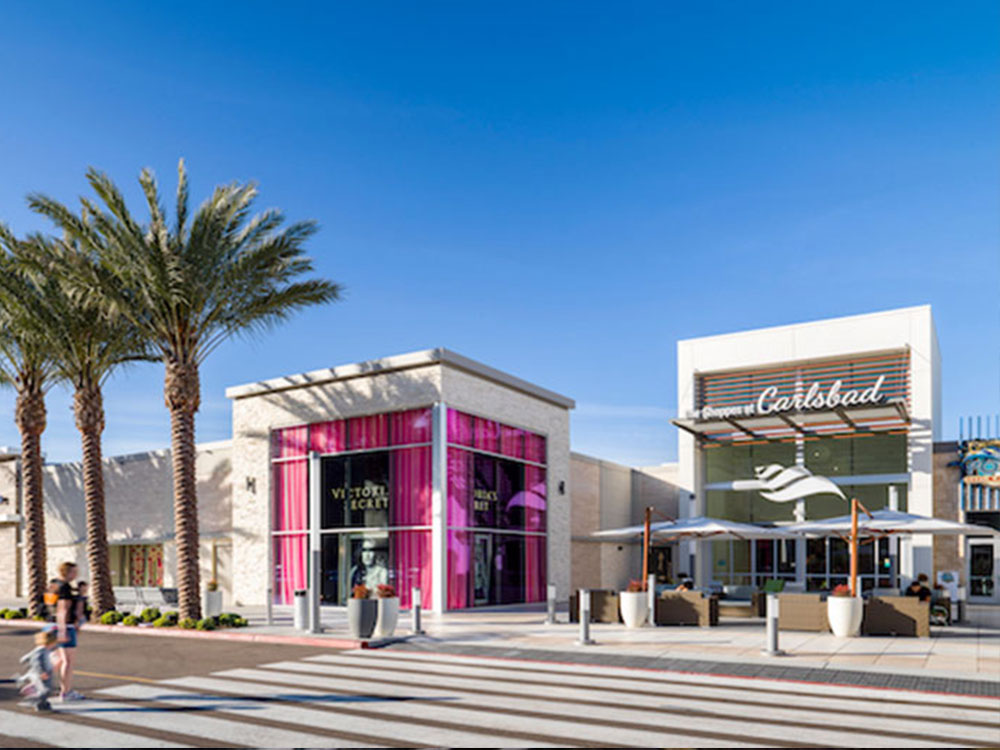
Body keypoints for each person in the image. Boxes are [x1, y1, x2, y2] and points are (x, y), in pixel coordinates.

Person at [54, 561, 84, 702]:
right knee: (68, 661)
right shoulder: (65, 587)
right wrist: (63, 630)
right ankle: (66, 692)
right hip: (65, 626)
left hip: (52, 625)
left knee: (58, 659)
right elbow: (63, 609)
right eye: (73, 572)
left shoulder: (54, 584)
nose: (75, 575)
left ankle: (39, 682)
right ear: (66, 572)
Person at [17, 629, 58, 711]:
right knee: (46, 690)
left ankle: (43, 702)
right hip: (40, 674)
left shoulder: (45, 650)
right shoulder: (40, 652)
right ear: (49, 642)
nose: (55, 645)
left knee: (46, 689)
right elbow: (37, 663)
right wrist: (41, 672)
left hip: (46, 672)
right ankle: (36, 701)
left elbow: (26, 658)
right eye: (54, 643)